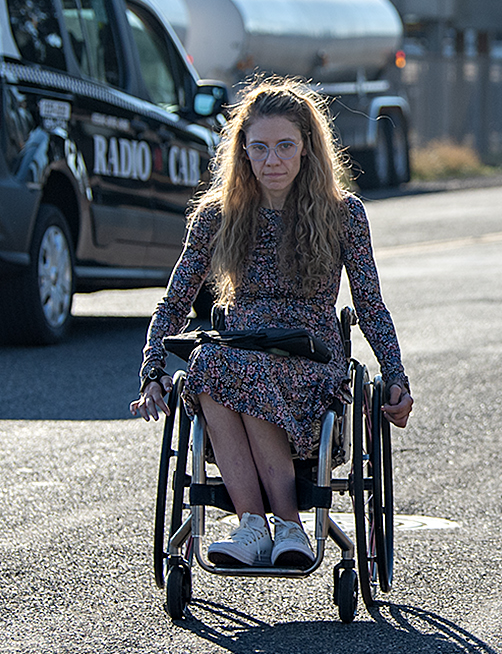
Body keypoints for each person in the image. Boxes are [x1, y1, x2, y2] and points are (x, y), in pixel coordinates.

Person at [134, 78, 413, 569]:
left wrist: (395, 376)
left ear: (307, 147)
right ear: (242, 150)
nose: (272, 160)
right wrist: (152, 367)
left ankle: (287, 525)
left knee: (237, 367)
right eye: (259, 147)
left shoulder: (342, 213)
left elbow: (370, 304)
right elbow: (174, 302)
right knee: (209, 362)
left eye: (285, 145)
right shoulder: (218, 216)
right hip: (237, 351)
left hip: (312, 359)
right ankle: (253, 525)